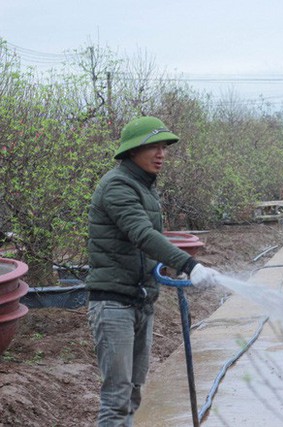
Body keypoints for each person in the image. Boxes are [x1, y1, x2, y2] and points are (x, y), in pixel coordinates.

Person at [86, 116, 218, 426]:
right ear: (132, 151)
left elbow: (150, 240)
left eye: (164, 148)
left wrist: (175, 262)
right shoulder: (117, 185)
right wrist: (189, 264)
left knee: (132, 394)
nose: (161, 154)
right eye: (153, 147)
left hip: (140, 300)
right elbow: (142, 234)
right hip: (113, 304)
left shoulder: (144, 186)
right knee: (116, 398)